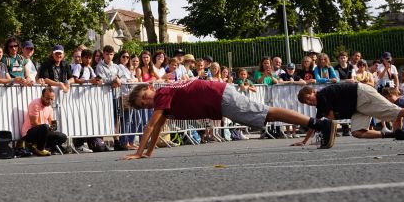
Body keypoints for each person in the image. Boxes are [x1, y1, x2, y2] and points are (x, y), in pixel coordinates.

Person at [124, 79, 338, 159]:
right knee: (266, 114)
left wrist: (137, 153)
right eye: (144, 105)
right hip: (220, 97)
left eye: (145, 97)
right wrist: (146, 153)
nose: (148, 103)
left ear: (150, 88)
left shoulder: (162, 93)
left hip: (219, 98)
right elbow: (158, 127)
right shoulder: (164, 98)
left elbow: (151, 125)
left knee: (268, 112)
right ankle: (319, 125)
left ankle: (320, 125)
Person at [296, 82, 404, 142]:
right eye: (306, 102)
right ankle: (394, 134)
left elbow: (326, 119)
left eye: (307, 98)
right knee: (357, 132)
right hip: (357, 107)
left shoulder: (322, 95)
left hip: (362, 94)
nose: (309, 102)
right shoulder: (321, 103)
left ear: (313, 91)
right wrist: (304, 141)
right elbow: (314, 124)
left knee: (397, 111)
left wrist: (328, 120)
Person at [21, 86, 67, 156]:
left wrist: (53, 127)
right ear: (42, 96)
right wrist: (48, 129)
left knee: (62, 137)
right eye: (47, 99)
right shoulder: (35, 104)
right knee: (45, 127)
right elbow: (34, 123)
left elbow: (52, 121)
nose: (49, 101)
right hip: (28, 133)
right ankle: (40, 149)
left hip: (43, 132)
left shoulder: (49, 107)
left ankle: (37, 147)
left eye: (51, 99)